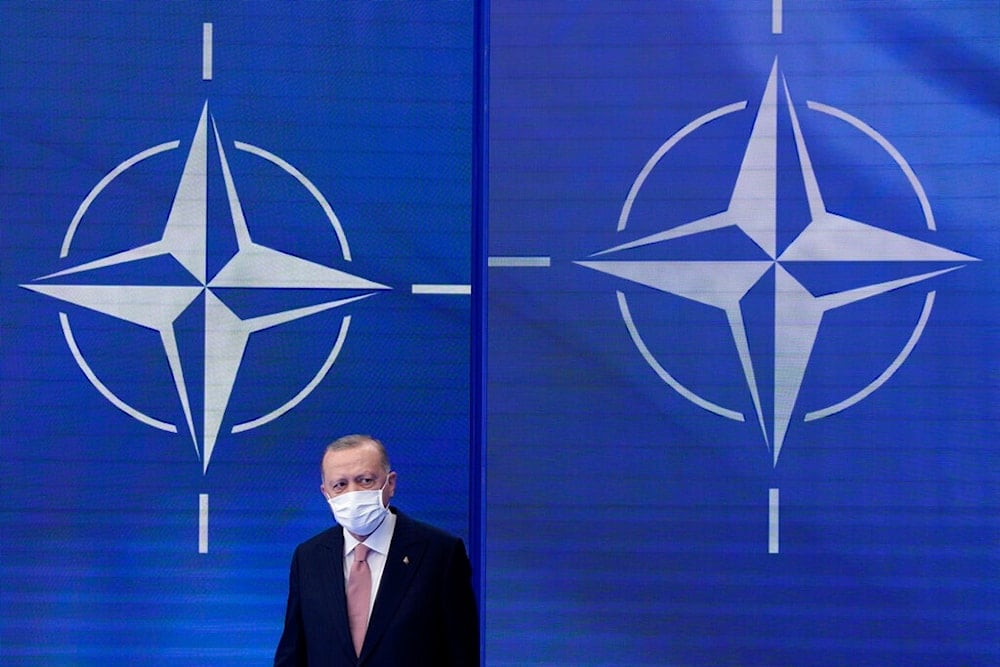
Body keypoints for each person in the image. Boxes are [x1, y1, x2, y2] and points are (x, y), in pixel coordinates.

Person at [274, 434, 479, 666]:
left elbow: (462, 654)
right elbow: (293, 653)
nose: (353, 493)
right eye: (340, 485)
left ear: (390, 483)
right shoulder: (309, 557)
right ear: (326, 493)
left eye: (365, 481)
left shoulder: (440, 553)